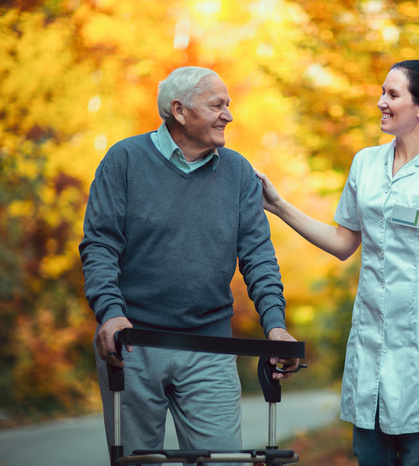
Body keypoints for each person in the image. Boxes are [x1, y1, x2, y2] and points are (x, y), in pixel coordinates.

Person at [256, 60, 419, 465]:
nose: (381, 102)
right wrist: (277, 206)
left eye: (393, 95)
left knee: (418, 452)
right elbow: (344, 242)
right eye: (382, 92)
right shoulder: (365, 163)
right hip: (372, 338)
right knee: (369, 453)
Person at [79, 66, 299, 463]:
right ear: (179, 111)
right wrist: (110, 314)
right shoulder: (125, 160)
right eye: (217, 105)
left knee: (222, 459)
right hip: (134, 343)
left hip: (209, 343)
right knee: (136, 461)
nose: (228, 115)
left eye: (228, 105)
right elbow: (100, 245)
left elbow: (258, 255)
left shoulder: (238, 172)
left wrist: (275, 325)